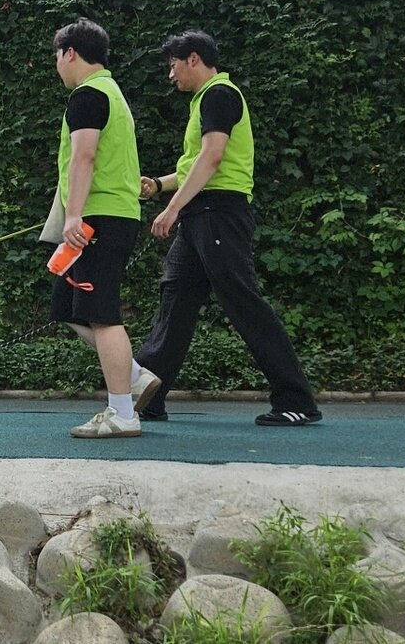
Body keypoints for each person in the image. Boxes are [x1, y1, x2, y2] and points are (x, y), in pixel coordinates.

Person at [133, 30, 321, 426]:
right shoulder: (207, 99)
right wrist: (161, 185)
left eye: (173, 66)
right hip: (203, 212)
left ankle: (296, 400)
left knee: (243, 302)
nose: (171, 76)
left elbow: (214, 159)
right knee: (177, 298)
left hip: (219, 213)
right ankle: (147, 394)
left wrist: (171, 209)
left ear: (194, 59)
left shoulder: (220, 95)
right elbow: (196, 163)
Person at [49, 19, 162, 439]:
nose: (56, 66)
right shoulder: (111, 93)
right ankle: (132, 375)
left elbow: (85, 157)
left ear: (70, 53)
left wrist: (74, 217)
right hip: (109, 214)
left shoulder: (88, 95)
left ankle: (122, 412)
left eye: (56, 57)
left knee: (101, 315)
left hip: (97, 219)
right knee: (68, 306)